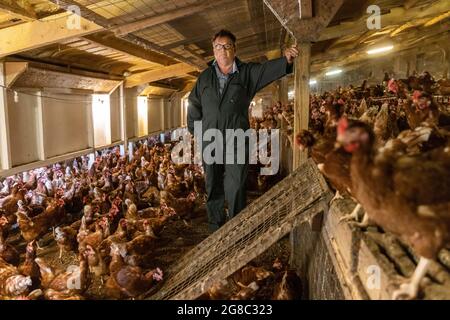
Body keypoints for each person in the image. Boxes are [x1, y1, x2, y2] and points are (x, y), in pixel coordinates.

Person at [187, 29, 298, 232]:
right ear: (213, 50)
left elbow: (265, 70)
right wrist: (196, 130)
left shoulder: (246, 73)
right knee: (213, 184)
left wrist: (286, 61)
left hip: (236, 139)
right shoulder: (204, 77)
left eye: (227, 46)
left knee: (236, 183)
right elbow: (194, 103)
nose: (222, 51)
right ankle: (216, 228)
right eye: (218, 47)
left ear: (234, 49)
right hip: (210, 139)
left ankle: (236, 227)